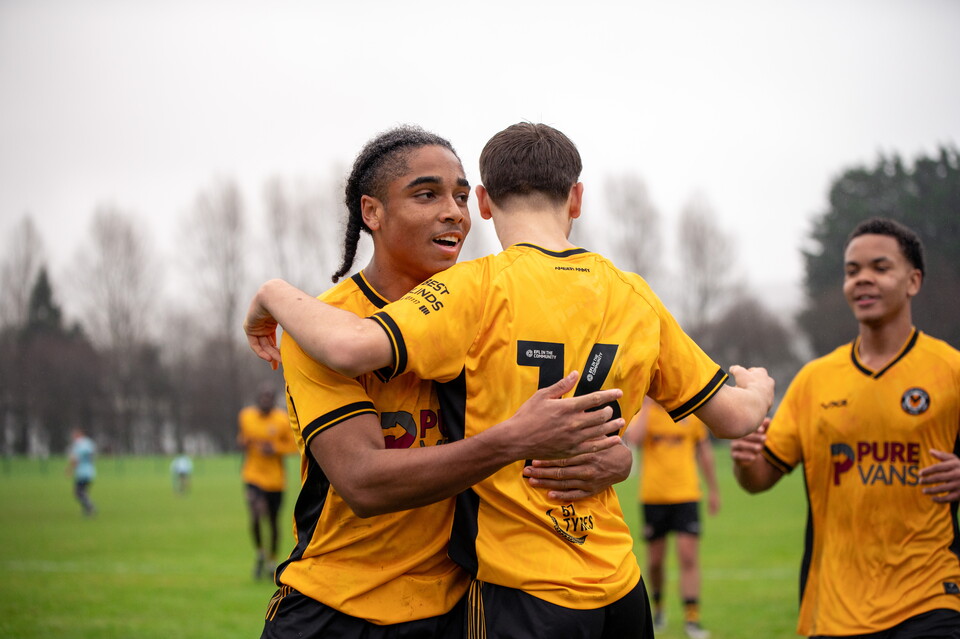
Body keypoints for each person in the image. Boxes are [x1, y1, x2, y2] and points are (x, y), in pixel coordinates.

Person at [245, 122, 774, 638]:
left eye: (457, 195)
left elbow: (557, 417)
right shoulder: (318, 326)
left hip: (465, 602)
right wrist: (520, 440)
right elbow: (364, 481)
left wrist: (608, 456)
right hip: (339, 609)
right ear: (372, 212)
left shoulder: (479, 295)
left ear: (482, 202)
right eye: (426, 195)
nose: (450, 211)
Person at [731, 217, 960, 638]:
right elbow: (760, 477)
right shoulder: (815, 380)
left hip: (933, 596)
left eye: (879, 267)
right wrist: (746, 461)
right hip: (836, 609)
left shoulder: (951, 370)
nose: (863, 280)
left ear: (913, 281)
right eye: (853, 271)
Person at [624, 397, 719, 639]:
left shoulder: (691, 413)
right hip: (653, 497)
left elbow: (704, 451)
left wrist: (713, 490)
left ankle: (692, 618)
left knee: (688, 556)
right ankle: (658, 610)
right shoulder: (645, 412)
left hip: (687, 494)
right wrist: (646, 405)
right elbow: (634, 438)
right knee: (655, 561)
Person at [238, 384, 298, 580]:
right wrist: (243, 443)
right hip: (252, 475)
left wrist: (275, 448)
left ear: (273, 401)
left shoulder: (282, 419)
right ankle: (260, 553)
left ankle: (271, 560)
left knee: (273, 521)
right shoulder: (246, 417)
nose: (265, 401)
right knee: (256, 513)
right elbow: (243, 439)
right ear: (257, 400)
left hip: (275, 480)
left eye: (268, 398)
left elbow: (294, 445)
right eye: (262, 398)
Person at [67, 427, 96, 517]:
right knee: (83, 491)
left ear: (78, 435)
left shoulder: (78, 444)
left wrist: (70, 469)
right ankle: (88, 510)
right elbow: (93, 456)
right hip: (90, 471)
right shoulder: (89, 443)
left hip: (81, 472)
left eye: (74, 435)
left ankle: (89, 506)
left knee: (78, 492)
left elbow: (75, 459)